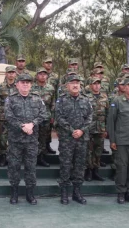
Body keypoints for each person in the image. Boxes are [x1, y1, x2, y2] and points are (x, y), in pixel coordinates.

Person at [5, 73, 47, 205]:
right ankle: (14, 192)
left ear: (31, 85)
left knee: (30, 167)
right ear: (17, 84)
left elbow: (44, 114)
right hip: (15, 140)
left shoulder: (37, 98)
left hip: (31, 141)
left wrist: (32, 124)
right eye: (22, 82)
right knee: (14, 167)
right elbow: (8, 115)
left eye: (28, 82)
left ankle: (30, 193)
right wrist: (22, 126)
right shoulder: (10, 99)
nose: (25, 84)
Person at [56, 75, 92, 205]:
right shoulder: (61, 100)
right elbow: (59, 118)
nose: (75, 85)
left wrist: (81, 130)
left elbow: (90, 118)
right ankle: (64, 193)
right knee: (65, 165)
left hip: (82, 139)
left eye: (77, 83)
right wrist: (72, 130)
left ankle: (77, 193)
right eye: (72, 83)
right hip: (67, 139)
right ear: (67, 86)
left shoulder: (86, 100)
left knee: (79, 166)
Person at [85, 77, 108, 182]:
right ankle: (89, 171)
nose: (97, 85)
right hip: (89, 128)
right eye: (94, 84)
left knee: (98, 151)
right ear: (90, 85)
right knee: (89, 151)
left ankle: (96, 171)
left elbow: (108, 114)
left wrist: (106, 129)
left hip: (100, 129)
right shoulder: (86, 98)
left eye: (98, 83)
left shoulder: (105, 98)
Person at [31, 68, 55, 167]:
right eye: (40, 74)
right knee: (33, 139)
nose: (42, 76)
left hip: (46, 117)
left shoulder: (51, 88)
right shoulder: (31, 88)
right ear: (37, 76)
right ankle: (32, 158)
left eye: (44, 74)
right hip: (33, 118)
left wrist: (52, 116)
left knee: (43, 139)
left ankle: (41, 158)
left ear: (47, 76)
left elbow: (53, 104)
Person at [0, 66, 17, 167]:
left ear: (15, 74)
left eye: (13, 72)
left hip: (16, 117)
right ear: (6, 74)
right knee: (2, 138)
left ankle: (12, 157)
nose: (11, 74)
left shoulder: (19, 86)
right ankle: (3, 156)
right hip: (3, 117)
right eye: (9, 72)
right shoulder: (0, 86)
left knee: (14, 138)